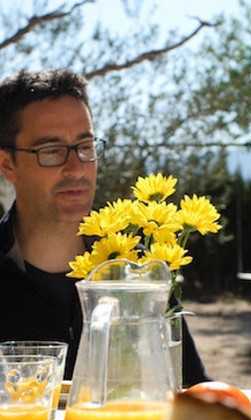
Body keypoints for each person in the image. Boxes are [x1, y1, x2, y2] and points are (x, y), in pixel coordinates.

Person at [0, 68, 209, 385]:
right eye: (52, 151)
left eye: (85, 146)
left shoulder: (137, 268)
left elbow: (192, 389)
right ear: (7, 165)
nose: (77, 167)